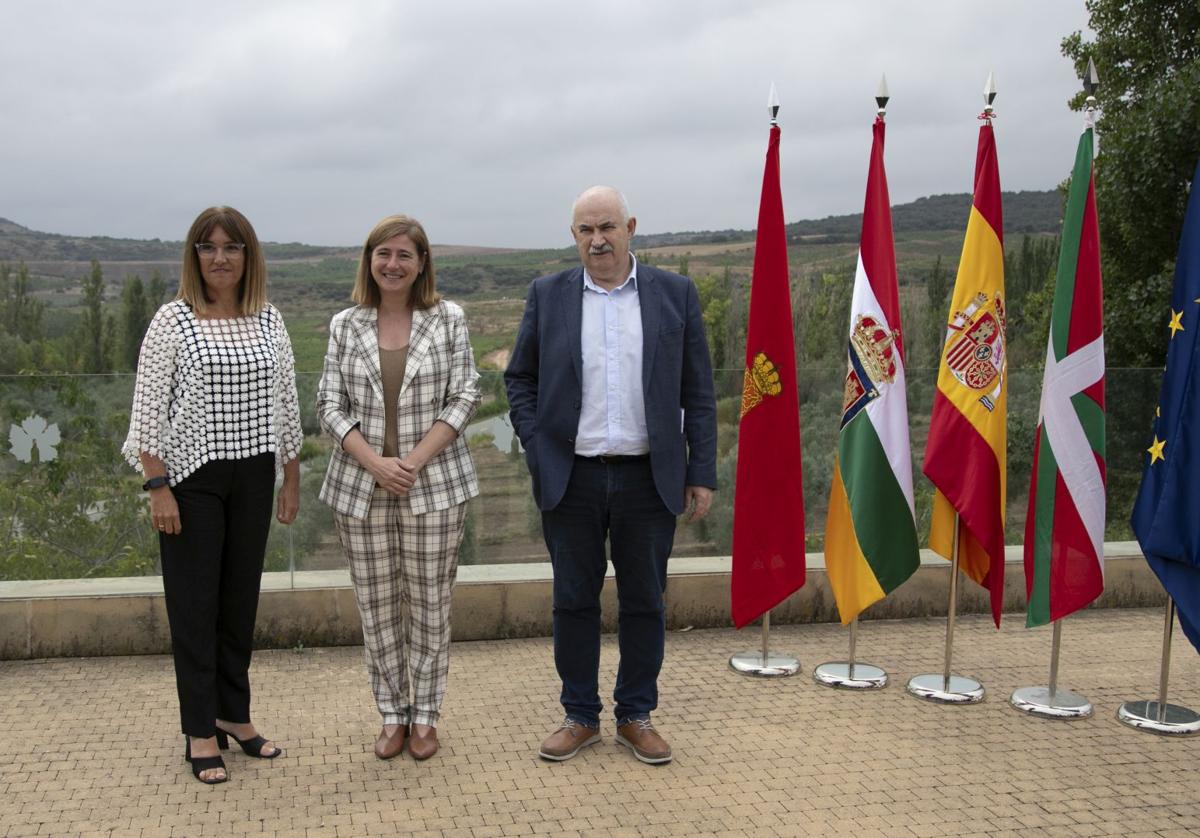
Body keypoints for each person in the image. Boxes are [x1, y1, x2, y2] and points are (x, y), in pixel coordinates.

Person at [505, 186, 717, 764]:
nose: (597, 240)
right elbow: (519, 379)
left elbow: (698, 391)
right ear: (574, 236)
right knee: (573, 600)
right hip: (570, 477)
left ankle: (635, 715)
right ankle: (579, 715)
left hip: (649, 479)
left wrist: (701, 472)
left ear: (630, 227)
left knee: (645, 600)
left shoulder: (675, 294)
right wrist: (535, 440)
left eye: (606, 227)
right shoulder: (547, 296)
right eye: (584, 230)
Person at [123, 206, 302, 784]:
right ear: (194, 255)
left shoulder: (268, 318)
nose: (219, 258)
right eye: (208, 247)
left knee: (238, 603)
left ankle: (235, 715)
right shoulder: (172, 320)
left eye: (231, 247)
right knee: (195, 608)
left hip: (253, 475)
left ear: (249, 256)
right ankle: (200, 730)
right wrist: (158, 488)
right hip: (191, 481)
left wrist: (290, 474)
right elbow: (148, 411)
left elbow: (285, 401)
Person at [317, 214, 481, 762]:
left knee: (431, 606)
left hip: (433, 486)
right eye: (383, 253)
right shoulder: (345, 324)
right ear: (369, 259)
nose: (392, 264)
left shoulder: (448, 319)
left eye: (404, 255)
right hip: (361, 491)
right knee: (378, 607)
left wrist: (408, 461)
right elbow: (328, 406)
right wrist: (375, 463)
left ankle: (427, 716)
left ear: (422, 263)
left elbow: (465, 397)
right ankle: (392, 713)